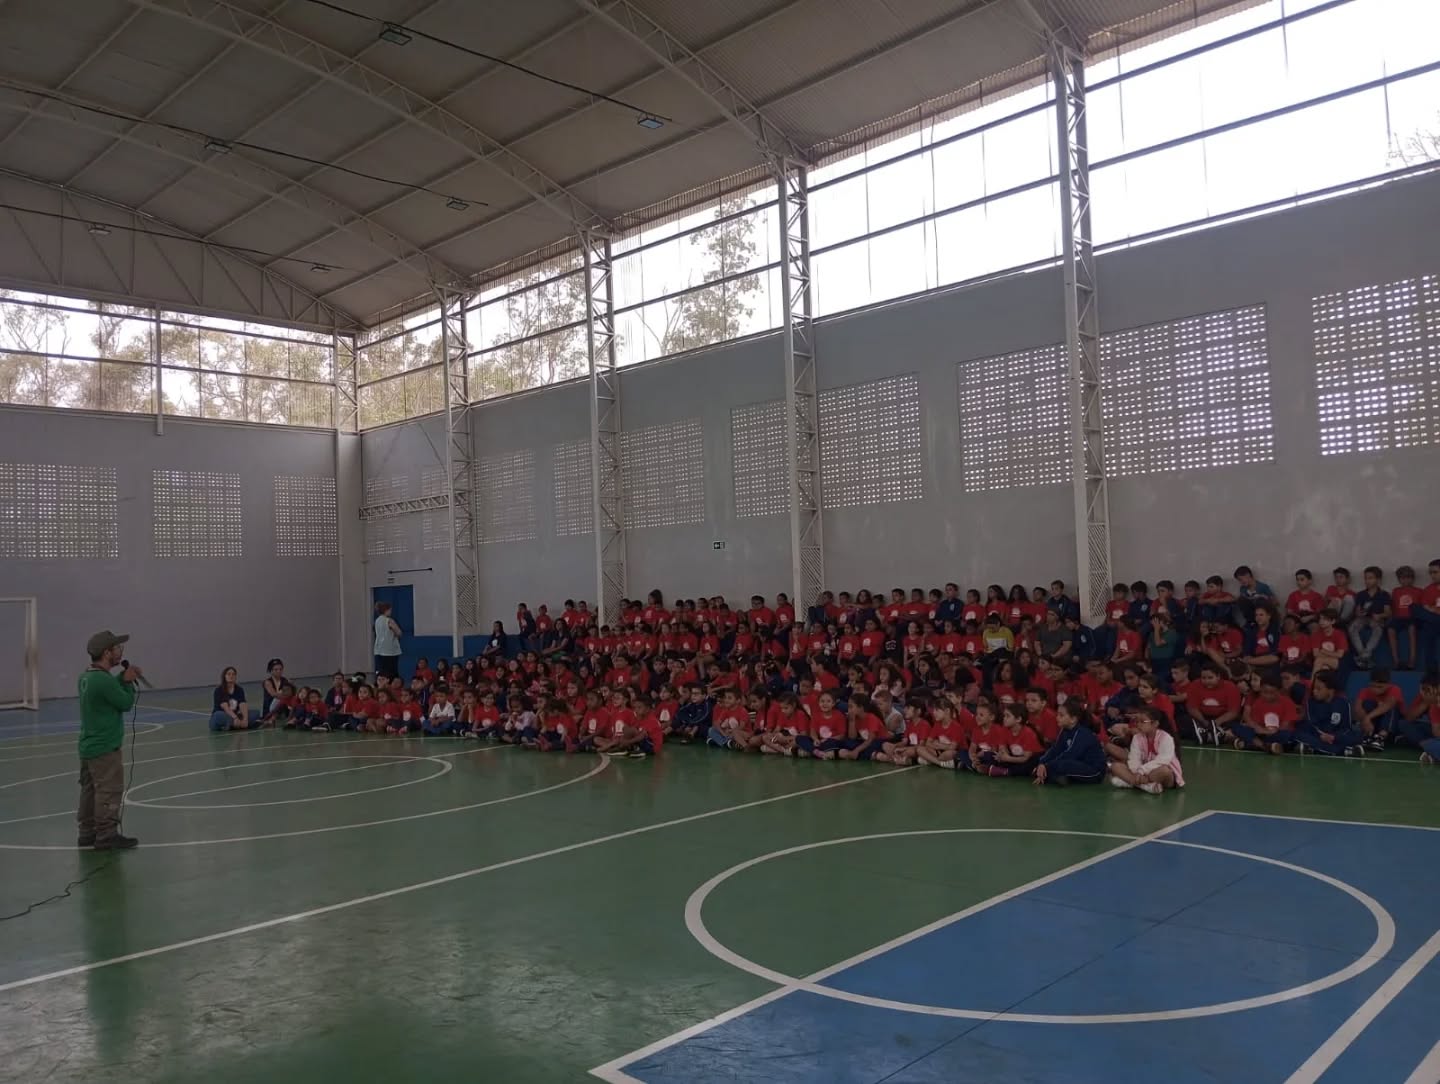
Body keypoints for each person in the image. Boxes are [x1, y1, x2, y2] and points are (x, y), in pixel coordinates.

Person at [76, 630, 141, 850]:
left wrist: (120, 679)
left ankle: (87, 832)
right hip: (104, 747)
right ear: (106, 653)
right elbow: (124, 702)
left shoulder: (86, 677)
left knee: (89, 791)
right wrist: (128, 682)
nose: (119, 652)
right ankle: (106, 835)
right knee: (108, 790)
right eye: (116, 648)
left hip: (88, 745)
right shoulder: (103, 681)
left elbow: (107, 691)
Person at [1108, 708, 1184, 793]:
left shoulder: (1166, 738)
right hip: (1141, 773)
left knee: (1164, 771)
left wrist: (1142, 771)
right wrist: (1137, 772)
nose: (1138, 724)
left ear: (1155, 724)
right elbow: (1134, 758)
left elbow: (1162, 761)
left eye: (1142, 722)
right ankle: (1146, 786)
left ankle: (1131, 782)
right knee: (1115, 766)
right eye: (1137, 721)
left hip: (1160, 774)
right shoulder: (1137, 738)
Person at [1032, 702, 1105, 785]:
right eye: (1057, 714)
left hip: (1094, 771)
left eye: (1061, 715)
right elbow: (1055, 750)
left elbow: (1071, 754)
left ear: (1073, 719)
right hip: (1078, 764)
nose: (1057, 718)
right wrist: (1042, 763)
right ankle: (1056, 776)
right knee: (1038, 760)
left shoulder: (1082, 733)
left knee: (1063, 764)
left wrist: (1046, 766)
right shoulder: (1065, 730)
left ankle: (1047, 774)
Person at [209, 667, 258, 731]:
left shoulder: (239, 689)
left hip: (235, 715)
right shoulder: (219, 690)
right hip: (224, 715)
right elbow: (225, 707)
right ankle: (236, 724)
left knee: (256, 713)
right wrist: (235, 718)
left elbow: (243, 704)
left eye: (233, 674)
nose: (231, 676)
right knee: (218, 715)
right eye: (228, 674)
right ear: (224, 676)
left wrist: (245, 719)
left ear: (235, 676)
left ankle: (234, 725)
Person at [373, 601, 403, 681]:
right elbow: (399, 632)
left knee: (382, 671)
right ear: (386, 610)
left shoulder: (377, 620)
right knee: (391, 672)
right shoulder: (389, 620)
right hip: (390, 650)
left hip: (379, 649)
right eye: (390, 610)